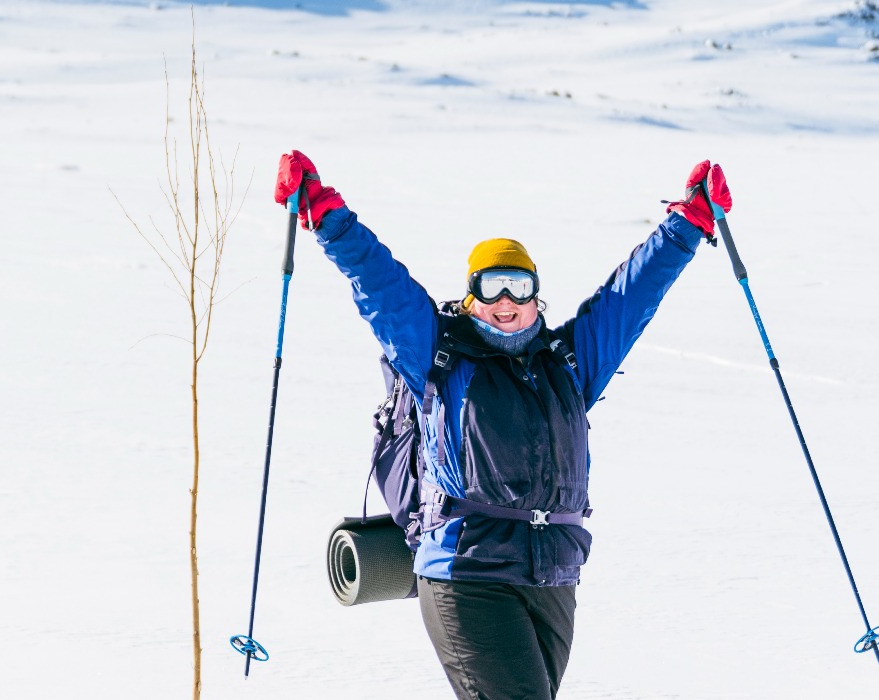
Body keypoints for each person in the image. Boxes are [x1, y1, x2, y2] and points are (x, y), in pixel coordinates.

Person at [273, 151, 729, 700]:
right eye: (491, 287)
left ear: (537, 295)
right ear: (471, 296)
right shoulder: (440, 354)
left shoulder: (568, 361)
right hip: (468, 571)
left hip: (552, 574)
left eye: (518, 285)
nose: (506, 302)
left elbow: (628, 300)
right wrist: (325, 213)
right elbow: (383, 287)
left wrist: (687, 224)